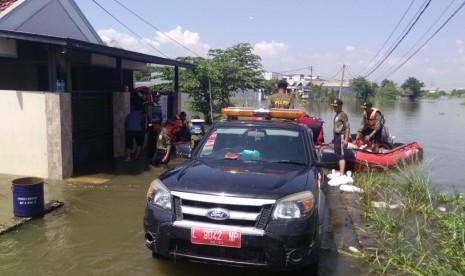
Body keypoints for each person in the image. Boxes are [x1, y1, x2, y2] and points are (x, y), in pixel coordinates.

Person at [331, 99, 350, 175]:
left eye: (336, 106)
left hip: (341, 136)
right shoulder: (337, 114)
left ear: (340, 106)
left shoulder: (343, 114)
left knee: (341, 155)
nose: (334, 108)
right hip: (336, 136)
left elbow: (347, 127)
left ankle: (342, 173)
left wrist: (346, 140)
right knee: (337, 153)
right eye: (334, 106)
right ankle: (339, 170)